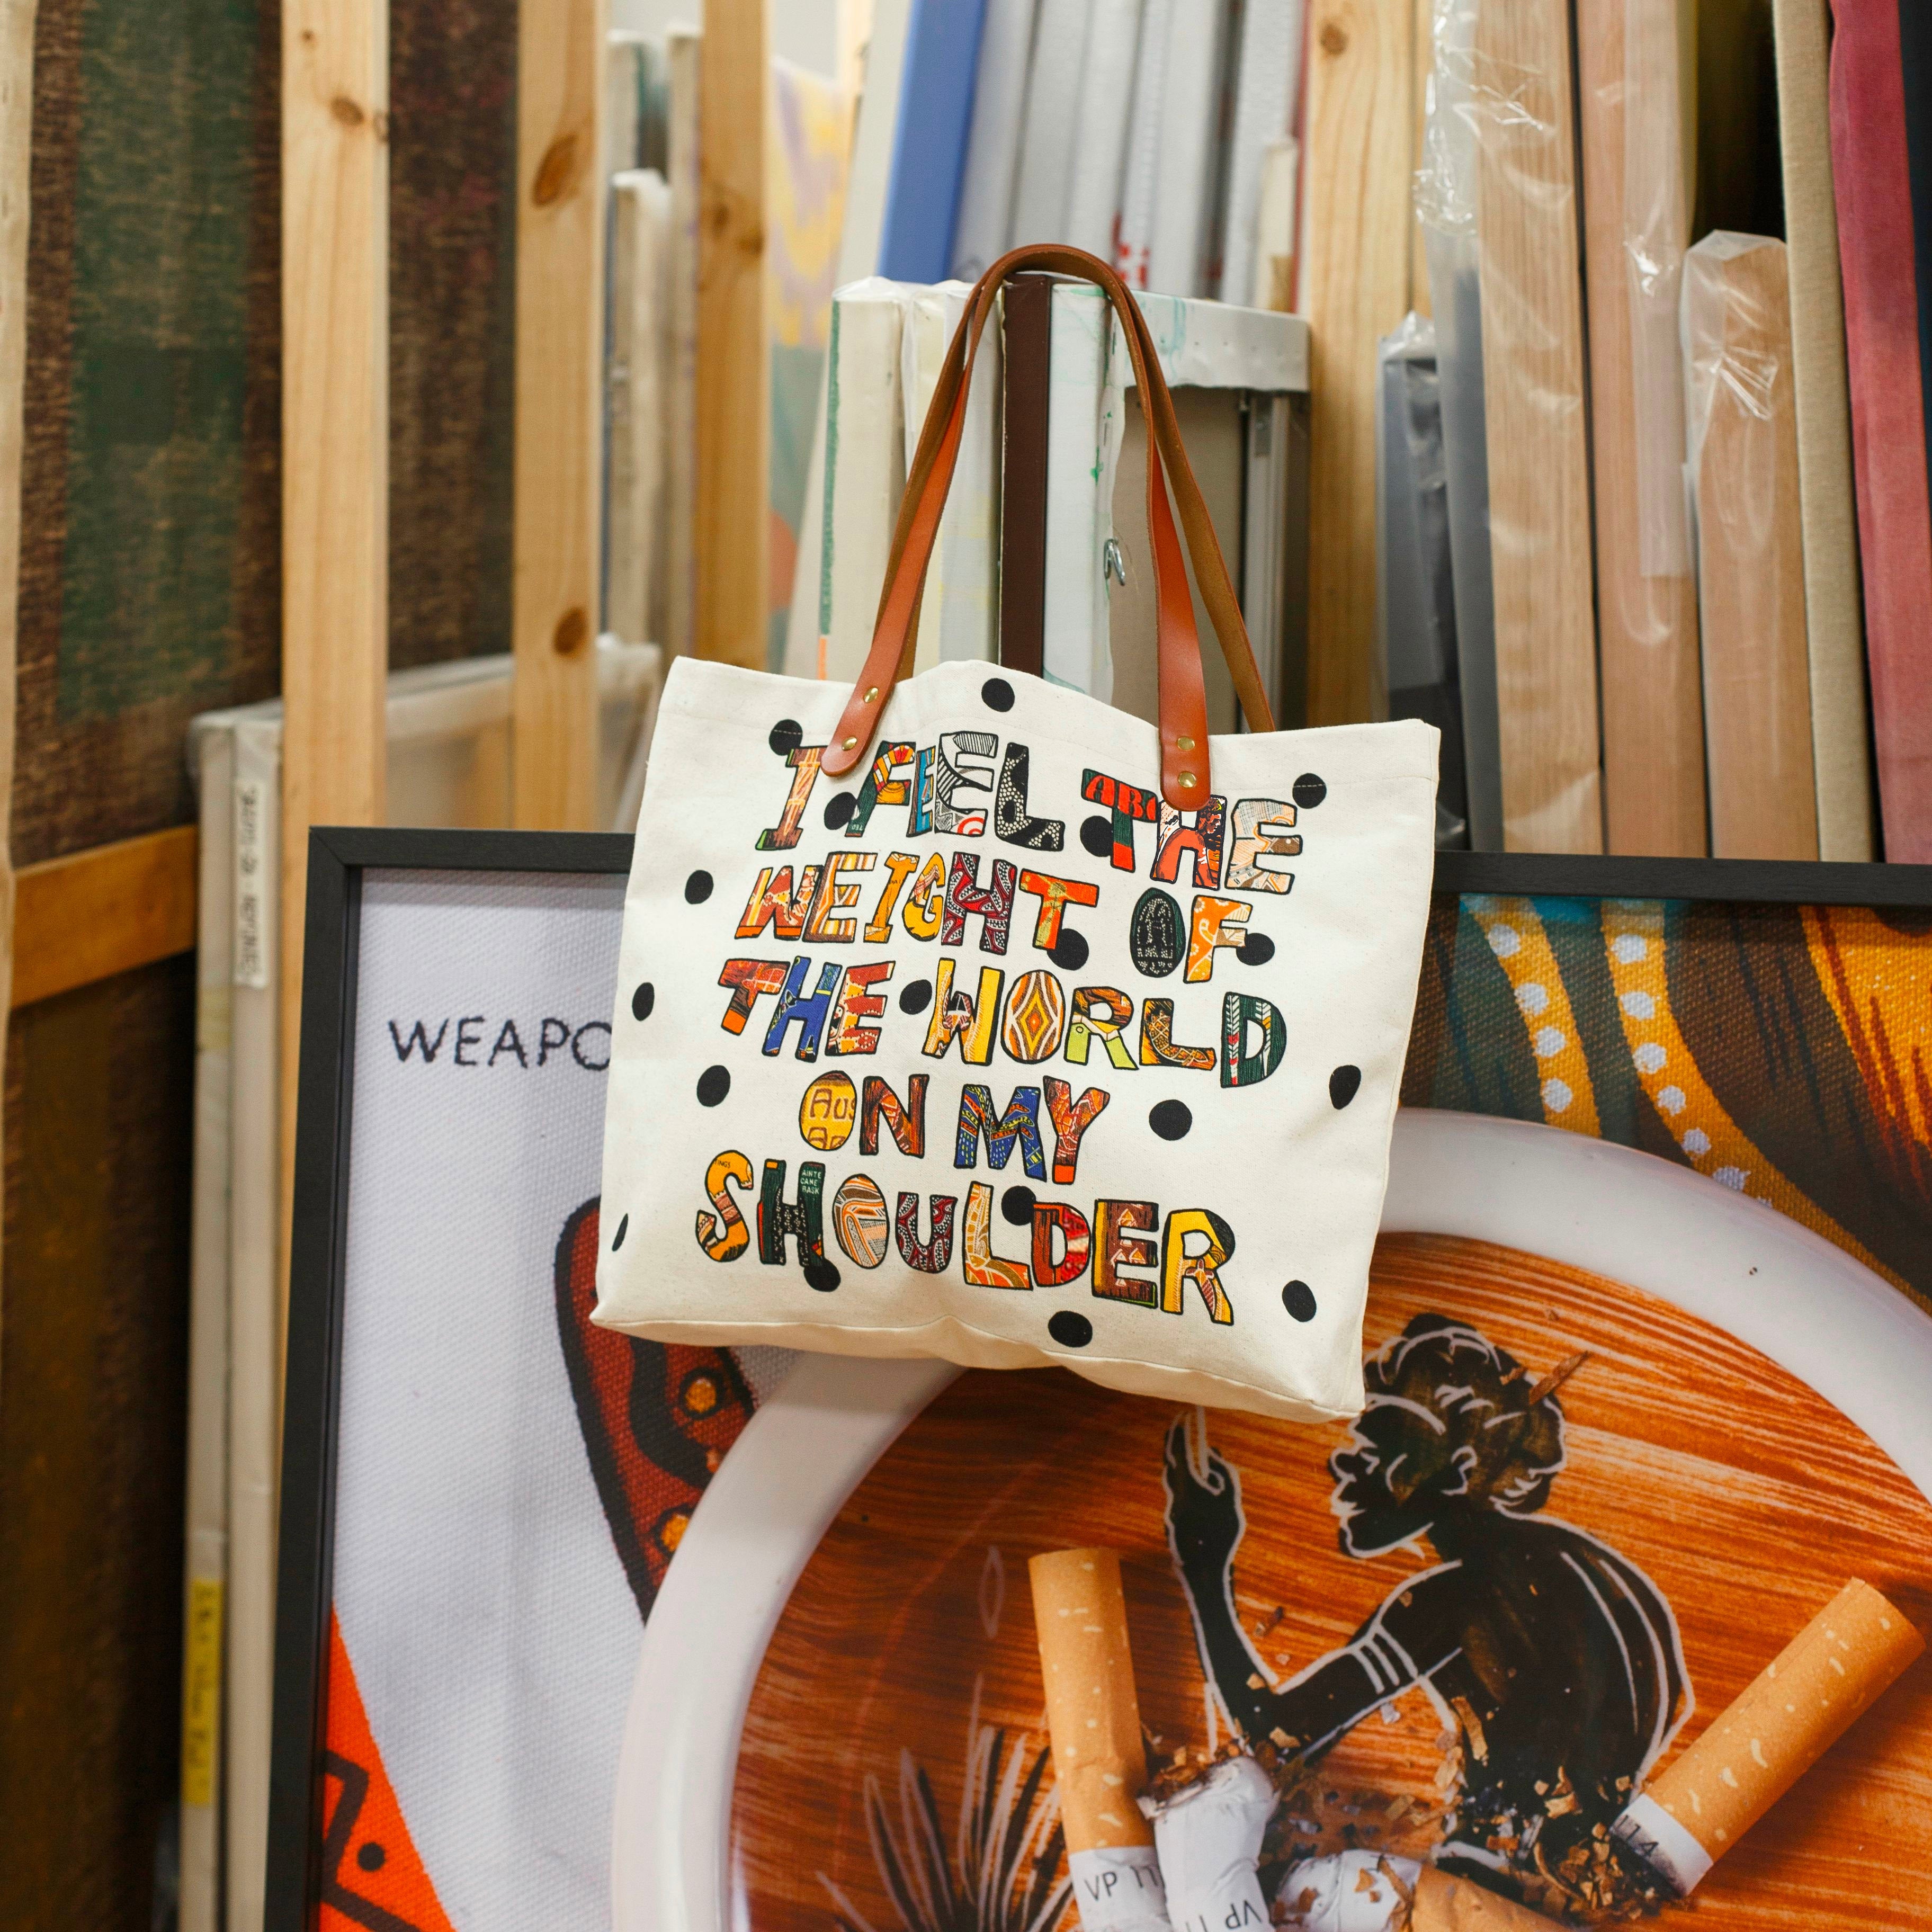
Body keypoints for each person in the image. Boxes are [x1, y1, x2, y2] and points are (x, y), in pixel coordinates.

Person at [1163, 1312, 1689, 1886]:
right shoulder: (1594, 1571)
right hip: (1576, 1884)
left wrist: (1205, 1570)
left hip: (1485, 1887)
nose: (1344, 1460)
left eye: (1378, 1442)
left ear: (1459, 1470)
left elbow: (1272, 1743)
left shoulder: (1454, 1600)